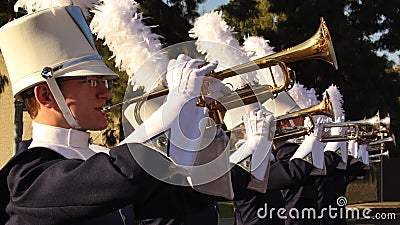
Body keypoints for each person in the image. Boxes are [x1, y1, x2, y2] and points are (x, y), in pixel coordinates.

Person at [0, 6, 229, 224]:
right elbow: (126, 173)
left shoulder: (97, 157)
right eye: (92, 81)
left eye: (104, 82)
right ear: (46, 95)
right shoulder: (28, 178)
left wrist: (198, 116)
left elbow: (186, 198)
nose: (106, 94)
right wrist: (178, 102)